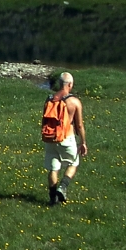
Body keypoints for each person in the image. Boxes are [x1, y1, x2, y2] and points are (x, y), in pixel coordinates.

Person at [41, 71, 87, 205]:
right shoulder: (74, 101)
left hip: (50, 137)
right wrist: (83, 142)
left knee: (53, 168)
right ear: (70, 84)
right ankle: (63, 187)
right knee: (73, 163)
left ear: (59, 84)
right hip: (66, 137)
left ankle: (52, 199)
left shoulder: (50, 99)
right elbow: (79, 125)